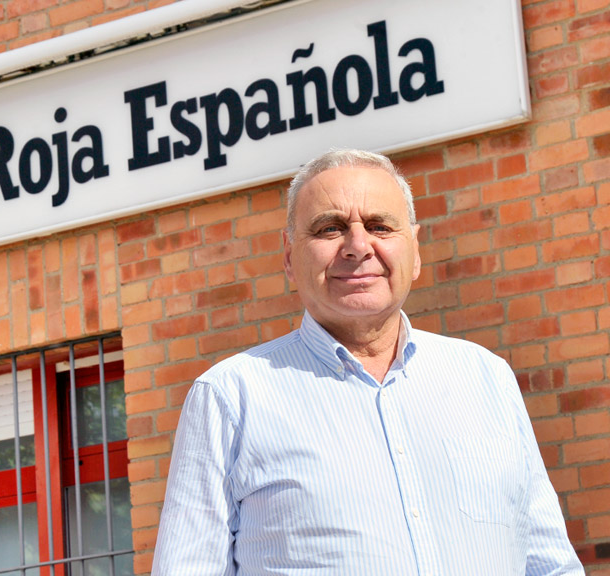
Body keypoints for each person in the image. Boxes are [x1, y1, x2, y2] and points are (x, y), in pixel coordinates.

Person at [151, 149, 583, 575]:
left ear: (415, 250)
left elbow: (551, 566)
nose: (358, 246)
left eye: (380, 226)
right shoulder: (229, 398)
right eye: (329, 228)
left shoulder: (486, 378)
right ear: (289, 256)